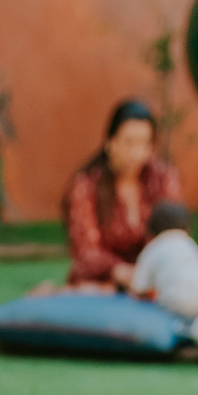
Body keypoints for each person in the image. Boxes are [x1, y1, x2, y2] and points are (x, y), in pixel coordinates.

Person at [63, 99, 181, 290]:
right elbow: (86, 253)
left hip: (153, 282)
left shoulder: (162, 179)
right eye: (129, 143)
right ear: (110, 143)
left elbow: (172, 236)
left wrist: (147, 276)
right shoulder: (86, 186)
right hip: (101, 284)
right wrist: (123, 273)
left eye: (144, 143)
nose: (136, 153)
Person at [131, 201, 198, 319]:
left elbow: (138, 288)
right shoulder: (188, 243)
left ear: (151, 229)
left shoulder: (153, 248)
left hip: (182, 300)